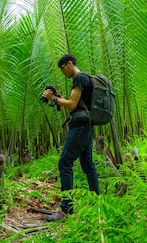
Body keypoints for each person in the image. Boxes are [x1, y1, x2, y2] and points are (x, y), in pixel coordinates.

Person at [41, 53, 100, 221]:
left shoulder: (79, 78)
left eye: (63, 68)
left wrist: (54, 99)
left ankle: (66, 209)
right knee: (88, 165)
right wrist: (59, 98)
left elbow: (72, 105)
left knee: (65, 162)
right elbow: (76, 104)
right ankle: (97, 203)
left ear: (69, 64)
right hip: (86, 127)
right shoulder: (85, 78)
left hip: (79, 128)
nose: (63, 72)